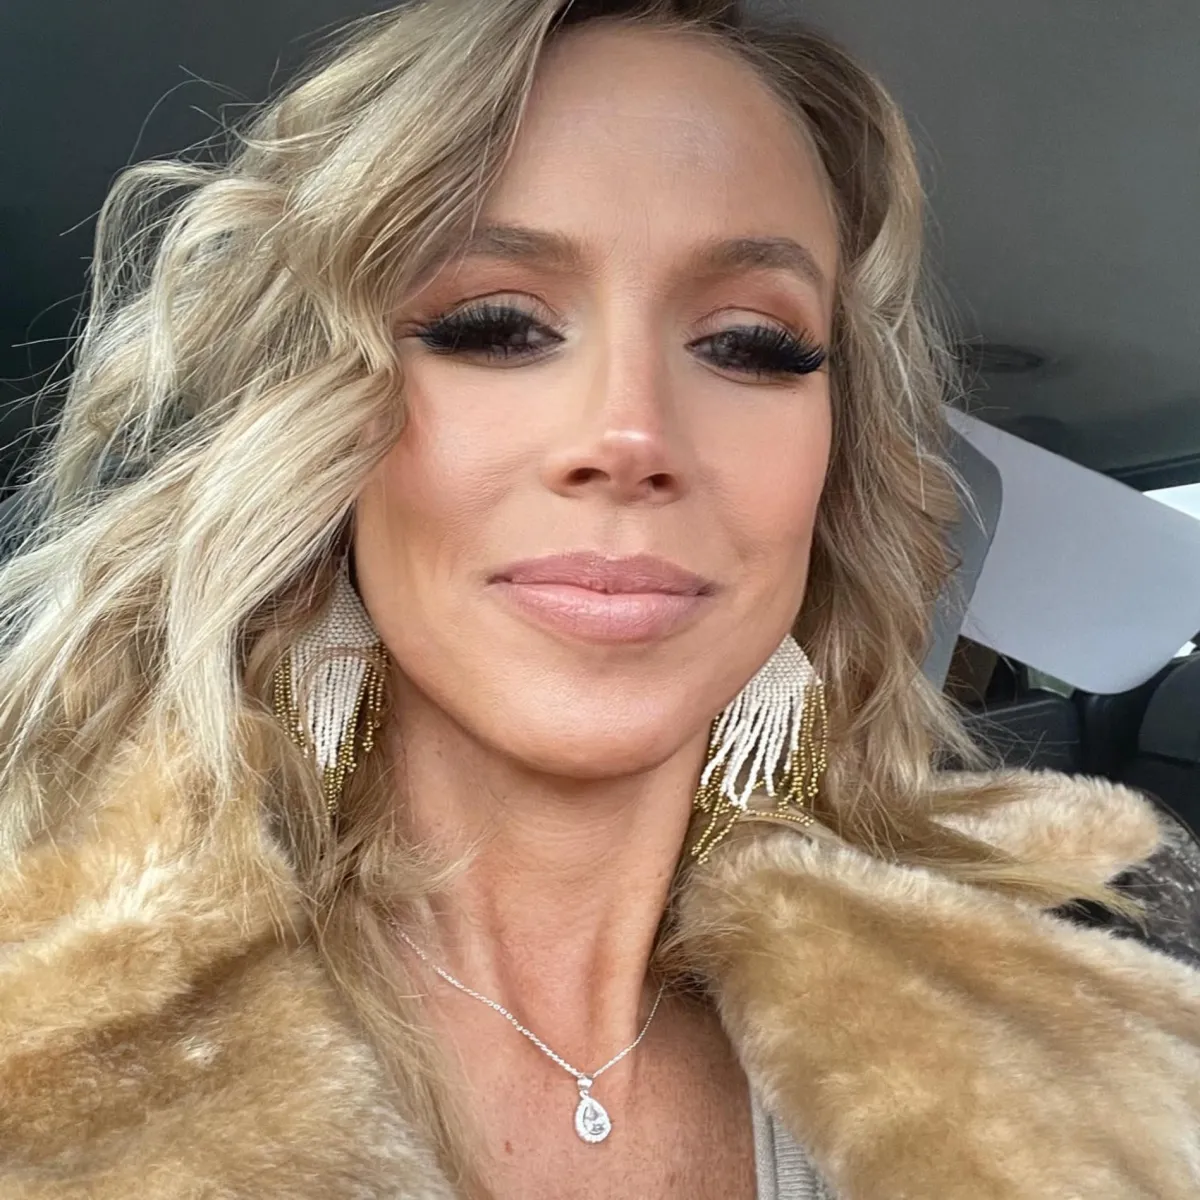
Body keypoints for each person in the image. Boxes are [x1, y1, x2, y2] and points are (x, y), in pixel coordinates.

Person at [1, 1, 1198, 1197]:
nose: (631, 435)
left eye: (750, 345)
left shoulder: (1081, 1075)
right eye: (496, 326)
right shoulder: (45, 1036)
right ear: (314, 424)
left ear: (830, 466)